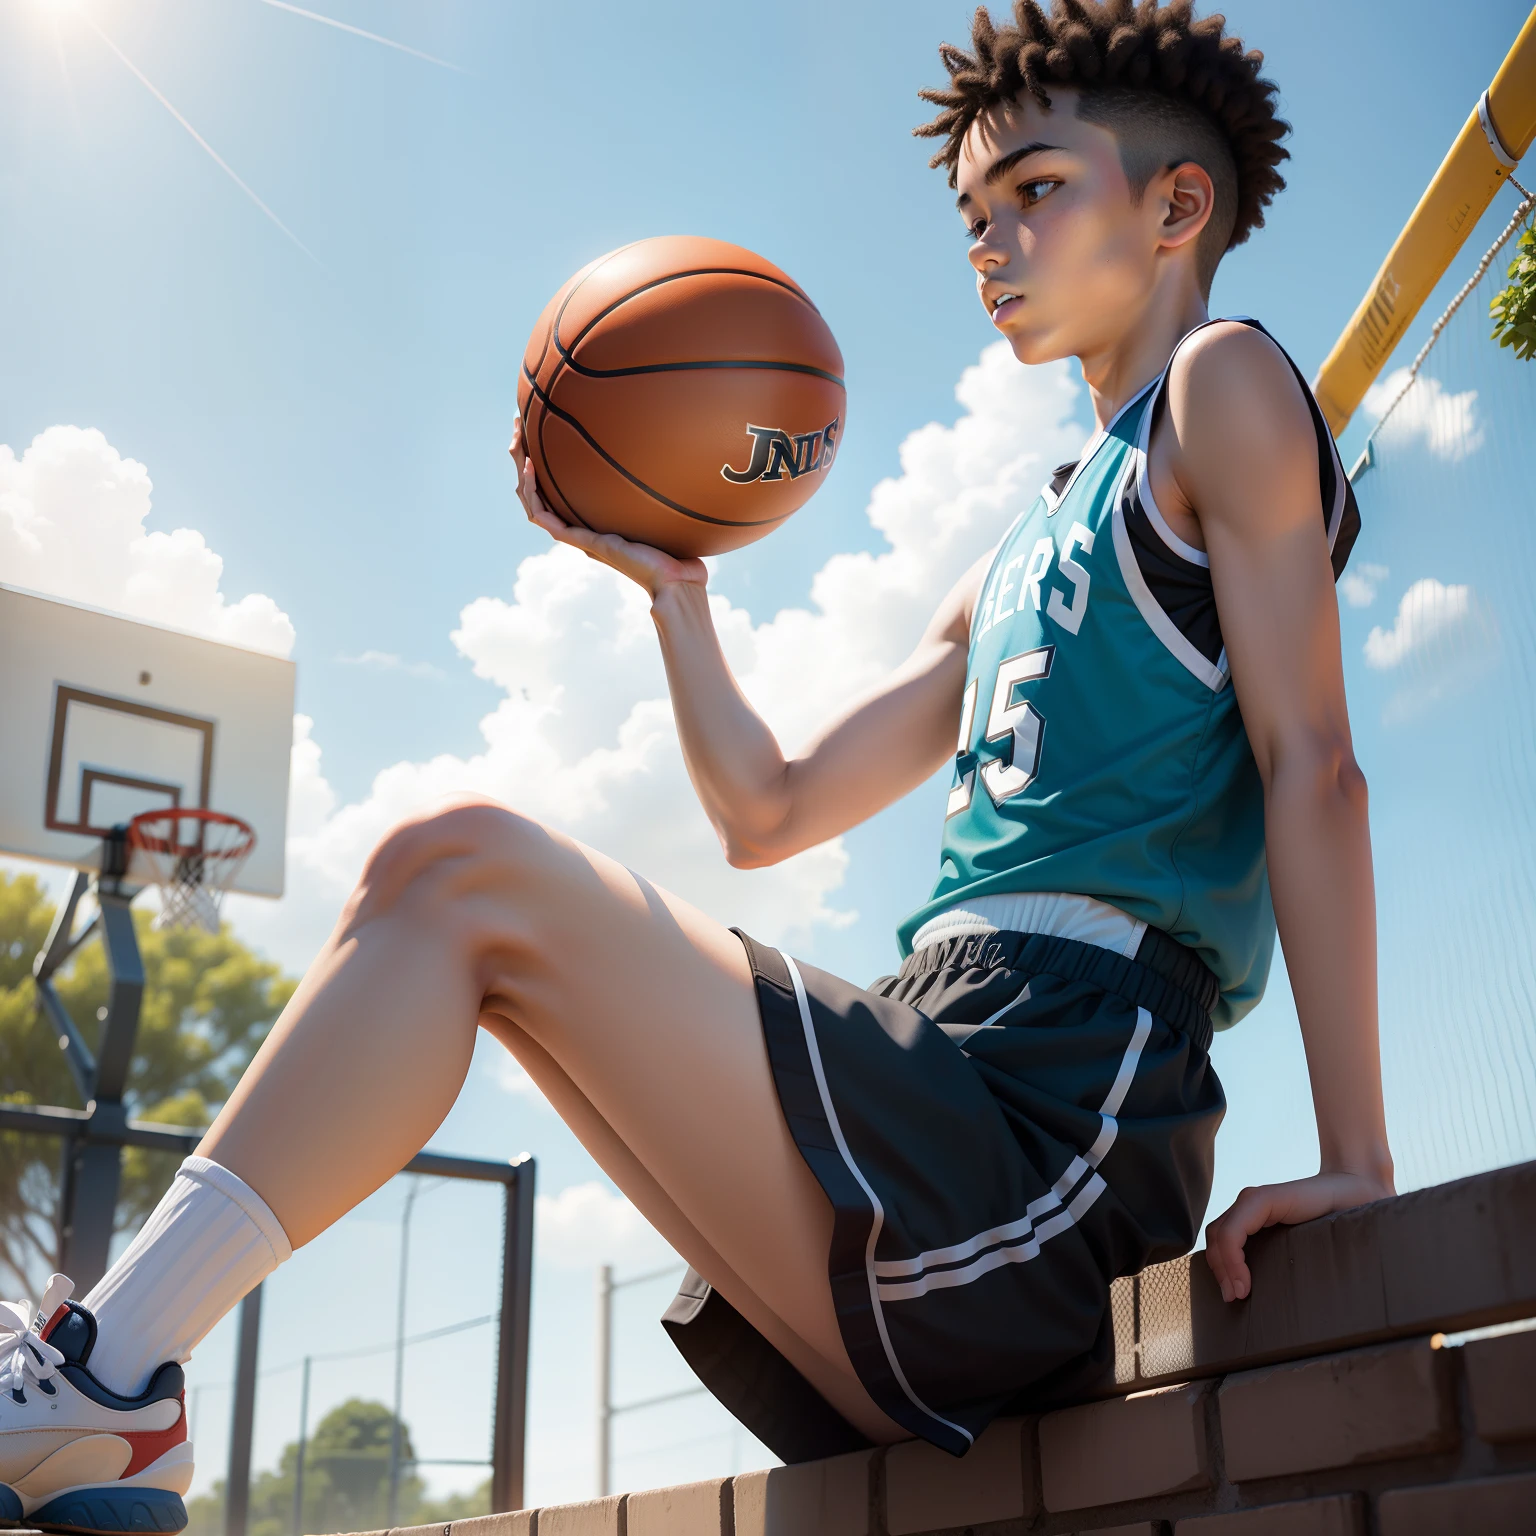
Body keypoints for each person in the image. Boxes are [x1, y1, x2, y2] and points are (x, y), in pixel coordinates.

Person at [0, 1, 1396, 1527]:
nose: (990, 242)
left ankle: (99, 1380)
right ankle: (111, 1392)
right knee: (443, 889)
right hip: (948, 1049)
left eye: (1037, 192)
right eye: (974, 215)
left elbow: (1313, 763)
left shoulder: (1224, 382)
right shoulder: (1019, 545)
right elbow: (768, 809)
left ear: (1176, 205)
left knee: (466, 867)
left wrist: (1357, 1161)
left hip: (1067, 1105)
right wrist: (678, 595)